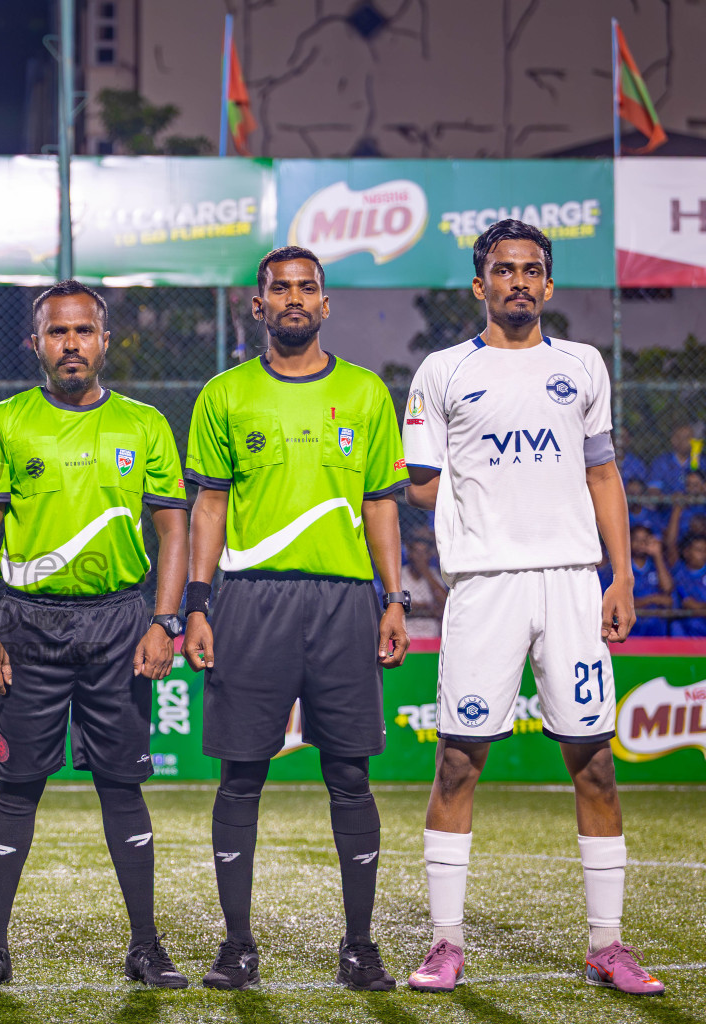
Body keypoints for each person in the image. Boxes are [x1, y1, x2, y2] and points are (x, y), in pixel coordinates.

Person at [401, 220, 664, 996]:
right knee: (456, 761)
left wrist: (620, 578)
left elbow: (604, 475)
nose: (518, 281)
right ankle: (446, 943)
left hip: (572, 582)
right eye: (503, 270)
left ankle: (607, 946)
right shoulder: (442, 372)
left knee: (596, 764)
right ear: (479, 284)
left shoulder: (581, 364)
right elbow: (419, 484)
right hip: (485, 585)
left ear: (548, 286)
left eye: (532, 270)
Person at [182, 245, 409, 992]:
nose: (293, 299)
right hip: (250, 600)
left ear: (325, 302)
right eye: (279, 288)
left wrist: (393, 598)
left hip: (345, 602)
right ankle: (237, 946)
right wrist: (198, 602)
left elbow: (381, 505)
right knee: (240, 775)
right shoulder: (224, 394)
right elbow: (208, 506)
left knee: (349, 775)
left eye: (306, 288)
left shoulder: (368, 394)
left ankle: (359, 947)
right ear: (258, 305)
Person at [0, 280, 191, 991]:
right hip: (27, 624)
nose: (70, 344)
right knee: (18, 785)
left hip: (120, 623)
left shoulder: (144, 425)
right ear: (36, 344)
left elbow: (173, 526)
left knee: (123, 786)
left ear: (105, 340)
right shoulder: (3, 421)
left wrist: (165, 619)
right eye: (56, 333)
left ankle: (146, 946)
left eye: (83, 331)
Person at [398, 531, 448, 639]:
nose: (420, 557)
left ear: (429, 555)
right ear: (410, 554)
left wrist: (425, 572)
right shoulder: (400, 576)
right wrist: (429, 608)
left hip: (432, 635)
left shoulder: (434, 575)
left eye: (424, 553)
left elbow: (446, 603)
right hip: (407, 634)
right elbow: (400, 607)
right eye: (417, 552)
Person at [670, 535, 706, 638]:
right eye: (698, 550)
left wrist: (699, 606)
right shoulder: (678, 572)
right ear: (686, 552)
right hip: (683, 632)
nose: (703, 554)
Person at [646, 424, 706, 494]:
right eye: (684, 437)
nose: (689, 441)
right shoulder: (661, 462)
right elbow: (653, 489)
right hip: (669, 507)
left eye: (691, 437)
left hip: (699, 506)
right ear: (673, 440)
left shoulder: (703, 461)